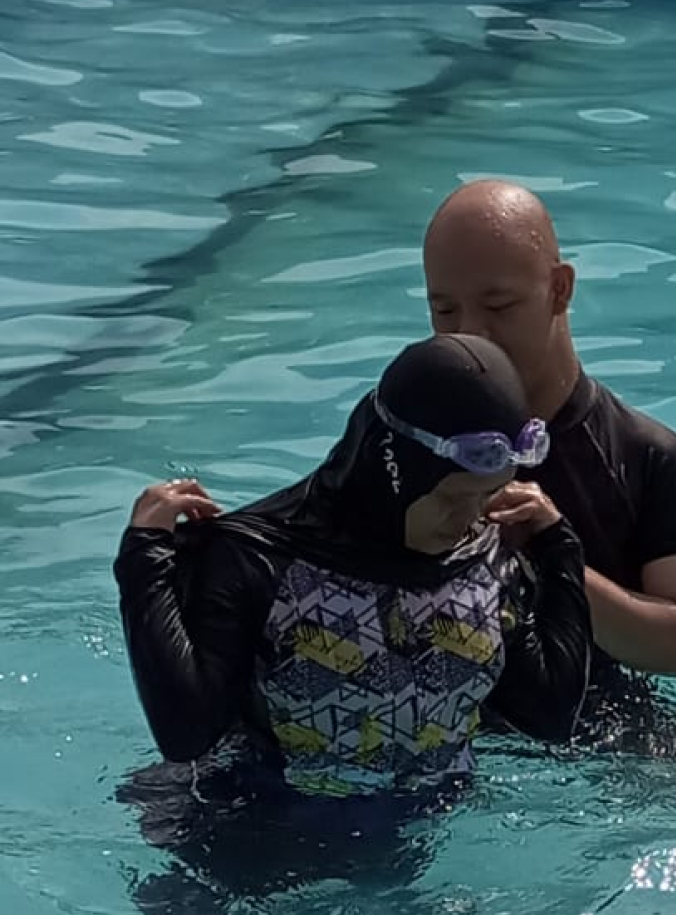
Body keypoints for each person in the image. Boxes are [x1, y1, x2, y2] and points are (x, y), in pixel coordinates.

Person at [112, 333, 593, 795]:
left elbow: (550, 719)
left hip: (419, 827)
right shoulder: (259, 560)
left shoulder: (484, 558)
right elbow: (186, 736)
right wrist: (144, 560)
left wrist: (559, 550)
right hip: (256, 826)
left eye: (488, 494)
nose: (471, 518)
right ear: (396, 472)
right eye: (453, 498)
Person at [421, 180, 676, 707]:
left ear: (559, 290)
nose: (470, 334)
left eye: (499, 306)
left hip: (599, 719)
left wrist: (555, 563)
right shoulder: (405, 439)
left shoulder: (646, 456)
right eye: (445, 312)